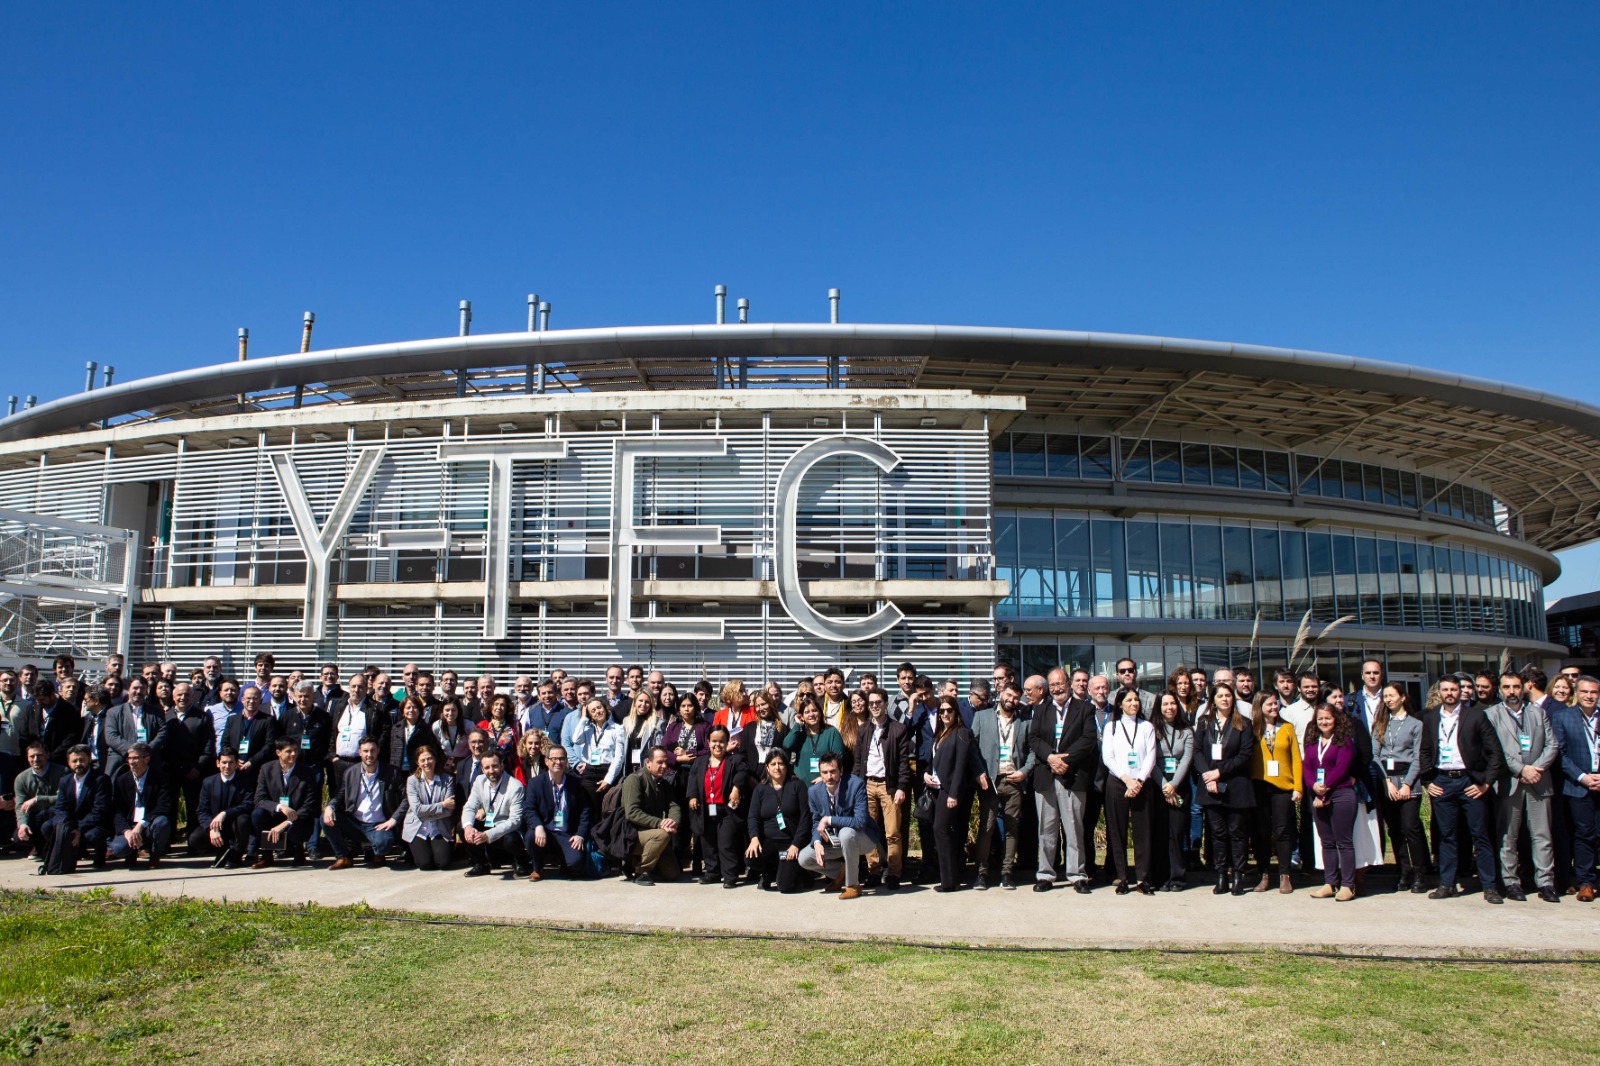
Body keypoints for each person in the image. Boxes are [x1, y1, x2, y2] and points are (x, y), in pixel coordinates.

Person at [1421, 676, 1506, 902]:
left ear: (1460, 692)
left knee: (1481, 835)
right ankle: (1447, 884)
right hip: (1442, 782)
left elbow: (1495, 753)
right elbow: (1424, 752)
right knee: (1447, 836)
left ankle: (1489, 887)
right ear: (1439, 692)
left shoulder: (1476, 716)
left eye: (1454, 689)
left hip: (1470, 782)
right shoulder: (1430, 717)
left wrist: (1486, 783)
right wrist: (1428, 782)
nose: (1450, 693)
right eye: (1445, 689)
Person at [1484, 672, 1559, 903]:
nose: (1512, 691)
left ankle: (1546, 883)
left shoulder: (1538, 712)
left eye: (1516, 687)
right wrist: (1520, 769)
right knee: (1508, 836)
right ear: (1500, 690)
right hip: (1510, 782)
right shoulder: (1491, 714)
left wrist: (1536, 768)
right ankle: (1511, 882)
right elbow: (1494, 749)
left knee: (1542, 835)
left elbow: (1552, 744)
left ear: (1524, 688)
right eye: (1507, 687)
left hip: (1538, 781)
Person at [1028, 667, 1096, 893]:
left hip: (1072, 775)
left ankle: (1077, 875)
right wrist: (1050, 757)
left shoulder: (1085, 708)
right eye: (1053, 685)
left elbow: (1088, 739)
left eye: (1061, 684)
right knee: (1046, 828)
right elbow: (1034, 738)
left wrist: (1065, 760)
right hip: (1046, 776)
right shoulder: (1041, 709)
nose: (1057, 688)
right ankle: (1046, 874)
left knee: (1074, 828)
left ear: (1068, 684)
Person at [970, 682, 1033, 890]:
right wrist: (979, 772)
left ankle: (1007, 872)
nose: (1011, 700)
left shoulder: (1025, 722)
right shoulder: (982, 716)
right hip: (990, 781)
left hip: (1013, 780)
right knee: (986, 828)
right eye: (1008, 695)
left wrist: (1024, 771)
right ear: (1001, 694)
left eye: (1015, 697)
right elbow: (972, 748)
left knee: (1011, 828)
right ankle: (981, 873)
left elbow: (1033, 751)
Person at [1194, 682, 1255, 895]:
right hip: (1210, 786)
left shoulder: (1244, 724)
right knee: (1217, 833)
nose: (1224, 699)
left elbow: (1245, 755)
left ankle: (1238, 874)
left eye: (1228, 695)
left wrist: (1218, 773)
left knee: (1237, 833)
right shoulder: (1204, 723)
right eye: (1220, 696)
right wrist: (1207, 775)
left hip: (1235, 785)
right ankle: (1221, 875)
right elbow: (1197, 752)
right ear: (1213, 700)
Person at [1372, 682, 1428, 893]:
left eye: (1392, 695)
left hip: (1408, 782)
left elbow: (1417, 757)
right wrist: (1385, 781)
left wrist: (1407, 785)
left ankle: (1420, 873)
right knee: (1394, 830)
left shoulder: (1415, 724)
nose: (1388, 699)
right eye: (1385, 696)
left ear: (1402, 697)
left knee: (1411, 828)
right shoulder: (1380, 724)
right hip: (1387, 781)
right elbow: (1375, 755)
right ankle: (1403, 872)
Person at [1100, 688, 1157, 894]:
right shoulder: (1111, 727)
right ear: (1120, 704)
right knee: (1117, 831)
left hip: (1142, 783)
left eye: (1136, 700)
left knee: (1143, 833)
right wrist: (1126, 780)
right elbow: (1108, 757)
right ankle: (1122, 877)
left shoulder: (1147, 727)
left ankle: (1143, 878)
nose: (1134, 703)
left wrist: (1138, 780)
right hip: (1117, 782)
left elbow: (1151, 755)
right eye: (1129, 700)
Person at [1550, 675, 1600, 902]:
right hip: (1578, 786)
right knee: (1584, 835)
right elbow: (1560, 754)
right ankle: (1585, 882)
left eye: (1594, 692)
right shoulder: (1563, 717)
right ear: (1576, 694)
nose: (1589, 696)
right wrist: (1582, 777)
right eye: (1585, 692)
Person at [798, 751, 874, 900]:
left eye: (833, 772)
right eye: (824, 772)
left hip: (863, 838)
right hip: (836, 839)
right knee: (804, 858)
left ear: (841, 771)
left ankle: (852, 885)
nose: (829, 776)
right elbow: (816, 822)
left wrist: (829, 820)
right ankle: (840, 872)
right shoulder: (813, 792)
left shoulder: (855, 784)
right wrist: (817, 841)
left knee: (846, 833)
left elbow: (860, 822)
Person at [323, 737, 406, 869]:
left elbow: (406, 797)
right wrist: (329, 807)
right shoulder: (351, 772)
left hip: (379, 825)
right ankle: (344, 857)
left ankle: (378, 853)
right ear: (359, 752)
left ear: (378, 751)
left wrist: (393, 819)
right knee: (325, 819)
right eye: (365, 751)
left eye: (372, 750)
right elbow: (339, 795)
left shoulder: (391, 772)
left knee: (384, 843)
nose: (369, 755)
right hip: (355, 823)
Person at [1303, 704, 1358, 901]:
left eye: (1328, 718)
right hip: (1317, 794)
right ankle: (1330, 882)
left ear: (1336, 720)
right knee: (1326, 841)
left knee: (1343, 841)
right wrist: (1313, 786)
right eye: (1320, 719)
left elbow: (1342, 768)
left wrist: (1324, 788)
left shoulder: (1343, 740)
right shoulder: (1311, 741)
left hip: (1340, 793)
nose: (1324, 722)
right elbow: (1307, 767)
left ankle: (1348, 885)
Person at [1250, 692, 1301, 894]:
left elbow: (1296, 759)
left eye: (1275, 703)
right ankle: (1263, 874)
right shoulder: (1252, 729)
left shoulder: (1286, 728)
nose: (1274, 707)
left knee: (1282, 831)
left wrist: (1298, 787)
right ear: (1259, 706)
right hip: (1259, 786)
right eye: (1269, 704)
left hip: (1283, 787)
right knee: (1261, 832)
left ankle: (1285, 875)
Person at [686, 725, 749, 888]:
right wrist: (692, 795)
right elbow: (693, 778)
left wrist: (736, 789)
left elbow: (743, 773)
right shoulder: (700, 762)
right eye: (714, 741)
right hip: (706, 808)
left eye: (722, 741)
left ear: (727, 742)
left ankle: (730, 875)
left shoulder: (734, 760)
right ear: (708, 742)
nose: (718, 745)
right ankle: (713, 872)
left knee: (726, 842)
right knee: (708, 843)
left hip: (726, 810)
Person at [521, 744, 591, 880]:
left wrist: (580, 835)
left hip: (566, 833)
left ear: (566, 761)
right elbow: (529, 809)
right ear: (546, 761)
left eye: (561, 759)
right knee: (530, 836)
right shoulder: (535, 783)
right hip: (545, 831)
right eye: (554, 759)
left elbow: (584, 811)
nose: (558, 762)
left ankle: (564, 863)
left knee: (576, 863)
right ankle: (537, 868)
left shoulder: (575, 783)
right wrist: (538, 826)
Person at [925, 698, 973, 892]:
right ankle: (949, 877)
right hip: (936, 787)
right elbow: (933, 760)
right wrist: (926, 774)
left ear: (956, 712)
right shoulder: (940, 734)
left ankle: (949, 881)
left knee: (941, 829)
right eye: (942, 711)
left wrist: (954, 794)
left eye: (949, 711)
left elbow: (961, 766)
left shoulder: (961, 733)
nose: (945, 714)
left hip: (949, 790)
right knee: (942, 832)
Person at [745, 748, 811, 892]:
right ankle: (770, 872)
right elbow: (753, 816)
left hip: (790, 843)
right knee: (751, 857)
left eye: (781, 763)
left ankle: (798, 872)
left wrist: (796, 844)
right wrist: (754, 838)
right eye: (773, 764)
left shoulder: (797, 786)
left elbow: (806, 818)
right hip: (769, 841)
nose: (777, 767)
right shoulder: (760, 789)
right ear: (767, 767)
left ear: (787, 766)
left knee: (785, 887)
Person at [38, 744, 110, 873]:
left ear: (89, 759)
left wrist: (79, 828)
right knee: (47, 826)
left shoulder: (101, 780)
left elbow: (100, 810)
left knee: (93, 836)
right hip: (71, 822)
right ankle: (72, 853)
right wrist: (67, 826)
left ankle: (99, 855)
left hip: (94, 823)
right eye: (74, 761)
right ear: (69, 763)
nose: (78, 764)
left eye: (82, 760)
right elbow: (60, 807)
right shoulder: (65, 781)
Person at [620, 745, 683, 886]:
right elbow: (632, 813)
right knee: (662, 835)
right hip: (632, 833)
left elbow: (674, 806)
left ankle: (637, 862)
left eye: (666, 762)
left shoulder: (664, 783)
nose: (664, 766)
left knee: (672, 873)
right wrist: (660, 823)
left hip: (651, 832)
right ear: (647, 763)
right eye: (659, 762)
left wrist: (672, 822)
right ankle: (642, 871)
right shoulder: (634, 780)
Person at [462, 749, 530, 878]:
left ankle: (521, 862)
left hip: (505, 827)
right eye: (487, 767)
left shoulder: (515, 787)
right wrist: (468, 827)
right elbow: (470, 806)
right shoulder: (479, 781)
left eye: (494, 766)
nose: (491, 771)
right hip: (488, 822)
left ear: (502, 766)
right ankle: (482, 864)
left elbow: (515, 821)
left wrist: (488, 835)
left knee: (512, 839)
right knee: (463, 827)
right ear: (482, 769)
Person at [106, 742, 174, 868]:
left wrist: (141, 824)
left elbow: (163, 806)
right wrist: (126, 831)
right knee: (118, 849)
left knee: (162, 822)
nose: (131, 762)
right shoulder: (122, 780)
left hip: (149, 824)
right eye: (129, 758)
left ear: (147, 759)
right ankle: (131, 853)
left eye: (136, 758)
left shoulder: (160, 778)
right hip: (130, 824)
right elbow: (117, 810)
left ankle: (155, 855)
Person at [1151, 693, 1193, 891]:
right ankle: (1161, 877)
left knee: (1176, 834)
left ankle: (1177, 877)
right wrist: (1164, 786)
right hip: (1158, 785)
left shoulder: (1186, 731)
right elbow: (1149, 759)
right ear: (1159, 707)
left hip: (1179, 786)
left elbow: (1186, 759)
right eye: (1165, 704)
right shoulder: (1151, 729)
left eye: (1173, 704)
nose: (1169, 707)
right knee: (1160, 833)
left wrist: (1173, 785)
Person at [187, 748, 253, 868]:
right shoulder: (208, 782)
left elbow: (247, 805)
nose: (227, 766)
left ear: (236, 763)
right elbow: (202, 810)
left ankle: (236, 855)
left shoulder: (245, 780)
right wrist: (210, 829)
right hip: (216, 826)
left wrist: (225, 813)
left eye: (231, 762)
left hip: (235, 824)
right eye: (224, 762)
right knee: (195, 839)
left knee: (243, 820)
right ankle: (221, 851)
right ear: (218, 763)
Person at [402, 747, 457, 870]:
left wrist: (425, 812)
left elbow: (449, 810)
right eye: (423, 760)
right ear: (418, 762)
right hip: (418, 827)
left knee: (444, 864)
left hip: (438, 827)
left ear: (435, 760)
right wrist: (442, 805)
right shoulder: (412, 781)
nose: (426, 763)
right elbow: (417, 810)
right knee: (425, 864)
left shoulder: (447, 779)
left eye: (429, 759)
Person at [11, 741, 64, 858]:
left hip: (55, 814)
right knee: (19, 836)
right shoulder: (21, 778)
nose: (35, 759)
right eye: (32, 756)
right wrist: (23, 824)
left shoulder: (62, 772)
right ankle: (39, 847)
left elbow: (63, 798)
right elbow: (20, 805)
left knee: (47, 827)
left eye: (39, 755)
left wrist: (37, 800)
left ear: (48, 755)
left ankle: (57, 850)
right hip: (36, 816)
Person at [568, 697, 626, 802]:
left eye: (599, 708)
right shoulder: (587, 729)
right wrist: (584, 718)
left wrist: (608, 780)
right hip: (589, 772)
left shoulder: (617, 729)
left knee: (607, 807)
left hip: (608, 770)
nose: (597, 712)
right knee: (589, 808)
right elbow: (575, 740)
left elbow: (619, 757)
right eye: (593, 711)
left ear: (605, 708)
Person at [784, 698, 844, 786]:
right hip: (801, 785)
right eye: (807, 712)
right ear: (802, 716)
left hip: (825, 784)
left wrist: (824, 778)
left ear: (820, 713)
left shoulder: (831, 732)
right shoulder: (799, 734)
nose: (811, 714)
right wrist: (797, 724)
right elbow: (786, 745)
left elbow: (838, 758)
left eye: (814, 710)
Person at [384, 695, 440, 776]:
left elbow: (432, 749)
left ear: (420, 710)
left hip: (417, 769)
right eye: (408, 707)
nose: (411, 710)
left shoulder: (426, 728)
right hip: (397, 770)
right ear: (403, 711)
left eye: (414, 707)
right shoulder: (396, 728)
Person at [478, 694, 520, 766]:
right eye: (496, 704)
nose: (499, 707)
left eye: (502, 705)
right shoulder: (481, 726)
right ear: (491, 707)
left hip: (507, 767)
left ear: (507, 708)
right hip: (486, 765)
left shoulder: (515, 726)